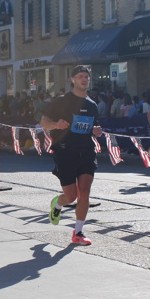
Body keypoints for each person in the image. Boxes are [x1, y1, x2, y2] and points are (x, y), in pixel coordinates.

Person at [41, 65, 104, 246]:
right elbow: (44, 121)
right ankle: (57, 204)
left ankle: (78, 232)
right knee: (71, 197)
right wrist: (56, 125)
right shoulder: (62, 101)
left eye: (86, 77)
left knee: (85, 191)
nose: (84, 79)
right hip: (65, 151)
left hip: (86, 151)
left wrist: (96, 131)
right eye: (80, 76)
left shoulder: (92, 105)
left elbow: (92, 127)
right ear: (73, 79)